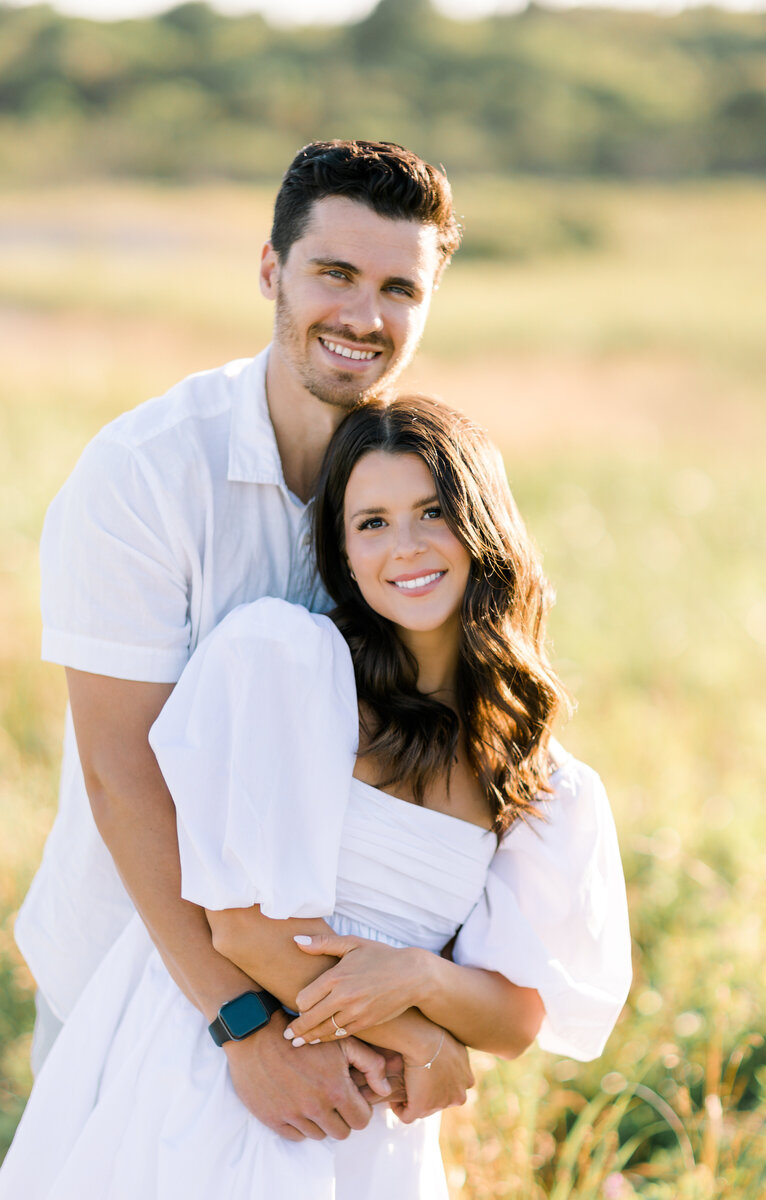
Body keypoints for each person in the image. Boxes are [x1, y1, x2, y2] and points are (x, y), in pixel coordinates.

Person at [0, 396, 631, 1199]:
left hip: (370, 1129)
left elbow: (517, 1020)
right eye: (371, 523)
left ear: (483, 525)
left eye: (431, 512)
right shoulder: (292, 663)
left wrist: (416, 978)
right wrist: (419, 1040)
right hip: (214, 1077)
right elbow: (250, 929)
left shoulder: (538, 775)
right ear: (341, 548)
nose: (404, 548)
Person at [15, 138, 471, 1139]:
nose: (363, 316)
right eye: (334, 274)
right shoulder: (145, 472)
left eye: (399, 287)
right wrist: (243, 1022)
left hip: (343, 993)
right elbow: (120, 769)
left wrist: (427, 1014)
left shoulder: (421, 485)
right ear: (271, 270)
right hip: (136, 965)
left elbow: (457, 729)